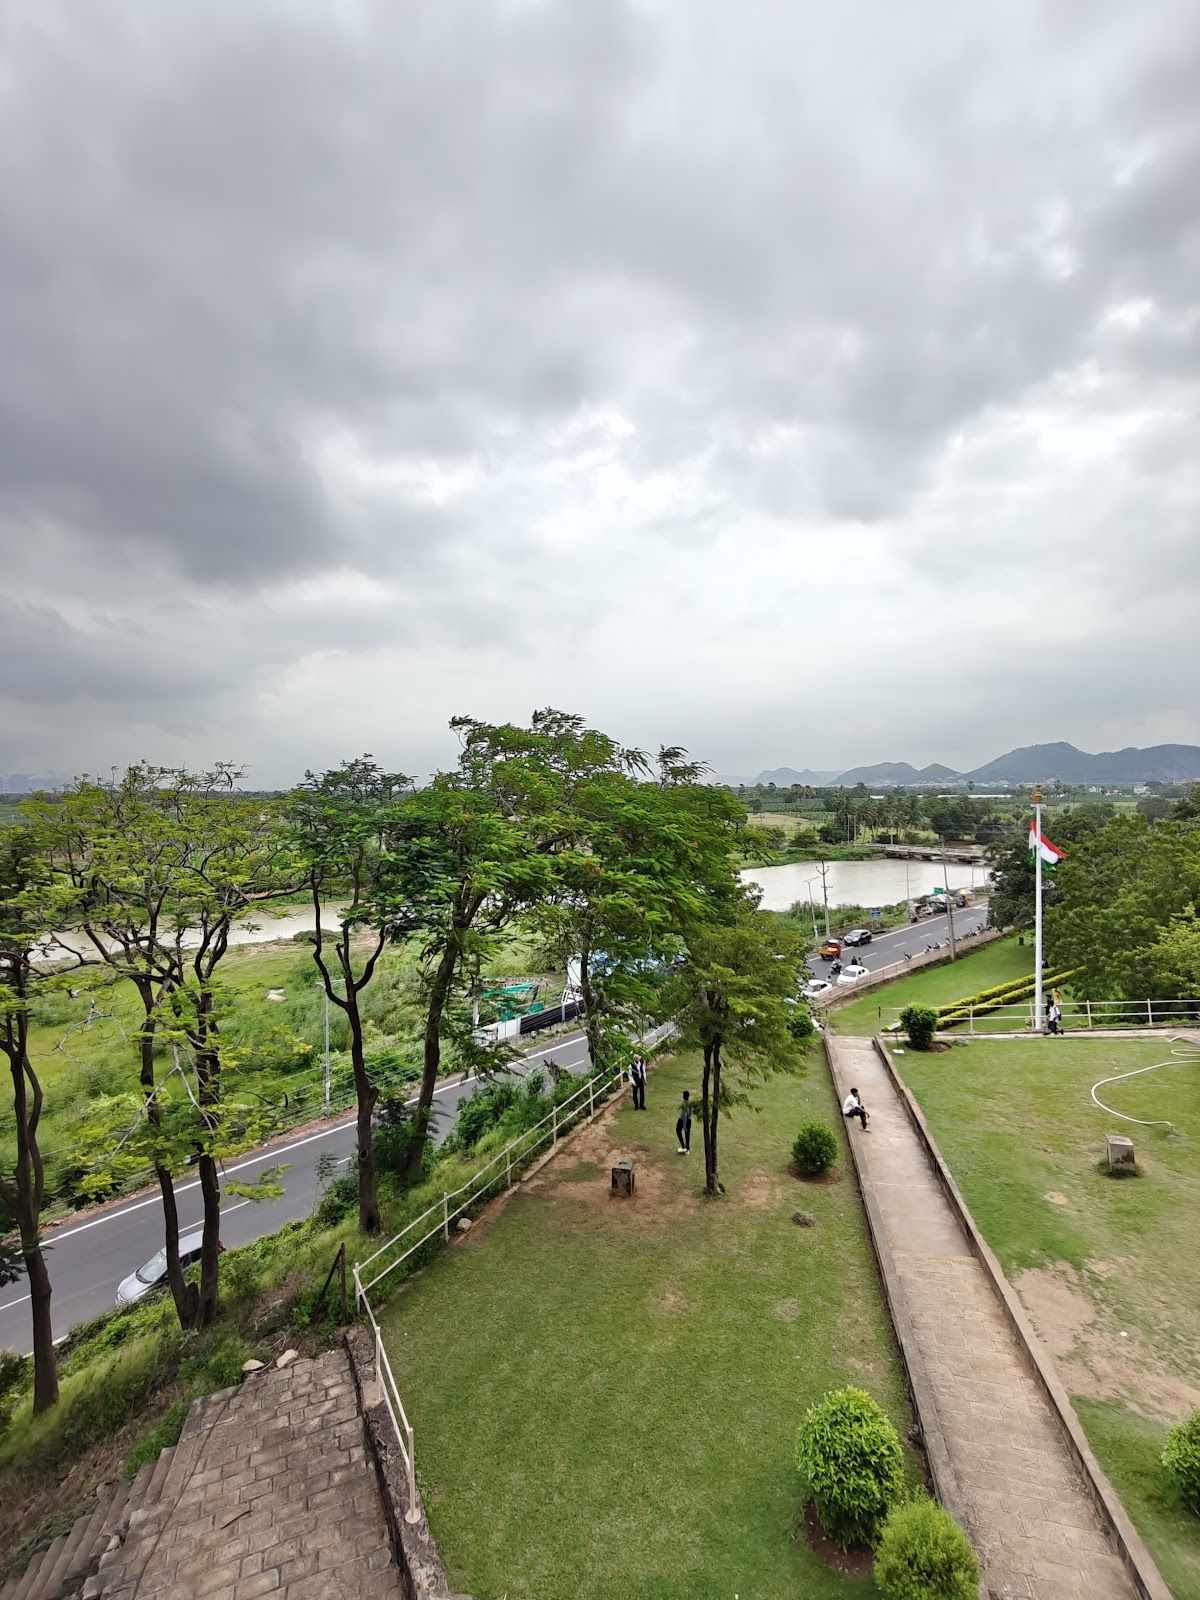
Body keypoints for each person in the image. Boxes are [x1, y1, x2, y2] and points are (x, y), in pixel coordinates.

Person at [676, 1090, 692, 1154]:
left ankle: (683, 1146)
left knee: (678, 1130)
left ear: (683, 1096)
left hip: (683, 1119)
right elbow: (690, 1113)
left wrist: (684, 1125)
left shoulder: (683, 1104)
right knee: (687, 1134)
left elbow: (684, 1115)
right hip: (689, 1120)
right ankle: (687, 1149)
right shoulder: (690, 1103)